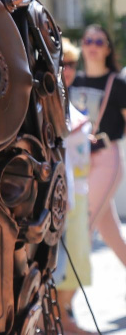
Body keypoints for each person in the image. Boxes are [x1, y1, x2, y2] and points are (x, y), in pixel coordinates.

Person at [69, 24, 126, 269]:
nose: (93, 46)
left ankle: (64, 304)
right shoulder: (73, 80)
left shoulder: (118, 83)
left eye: (99, 42)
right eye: (88, 41)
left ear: (107, 50)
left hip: (105, 158)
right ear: (82, 45)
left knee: (81, 227)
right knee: (112, 235)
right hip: (77, 160)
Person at [55, 40, 94, 334]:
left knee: (78, 260)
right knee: (66, 262)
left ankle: (66, 318)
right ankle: (64, 322)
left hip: (78, 188)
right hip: (61, 191)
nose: (67, 70)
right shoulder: (51, 96)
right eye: (62, 64)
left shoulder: (68, 98)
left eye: (71, 64)